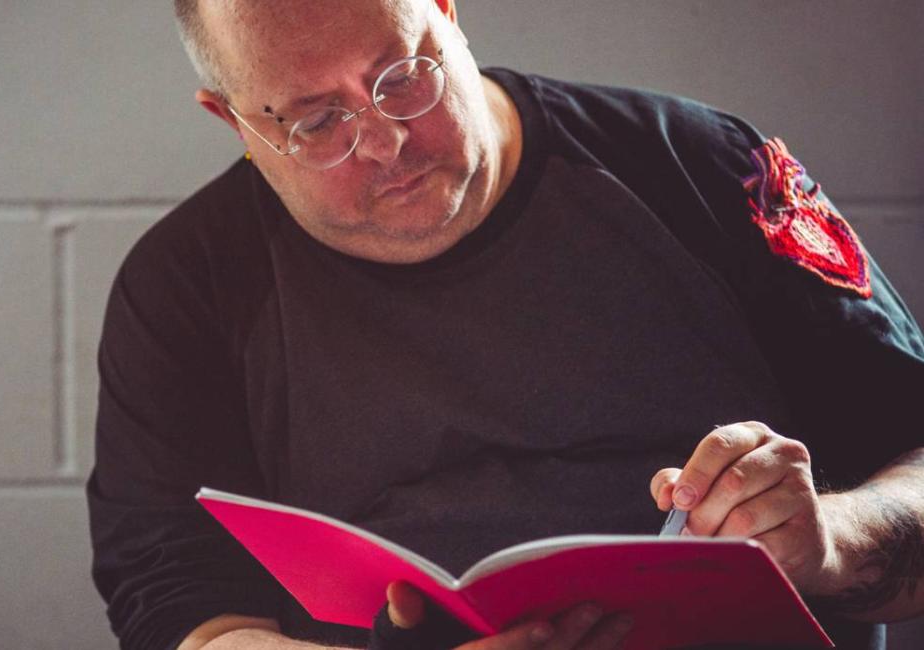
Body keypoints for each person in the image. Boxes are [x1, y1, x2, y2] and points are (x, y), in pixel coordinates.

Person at [86, 1, 924, 649]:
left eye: (401, 75)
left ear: (447, 16)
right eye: (316, 121)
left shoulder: (693, 164)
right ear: (234, 124)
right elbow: (175, 608)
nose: (385, 141)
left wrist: (830, 542)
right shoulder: (185, 288)